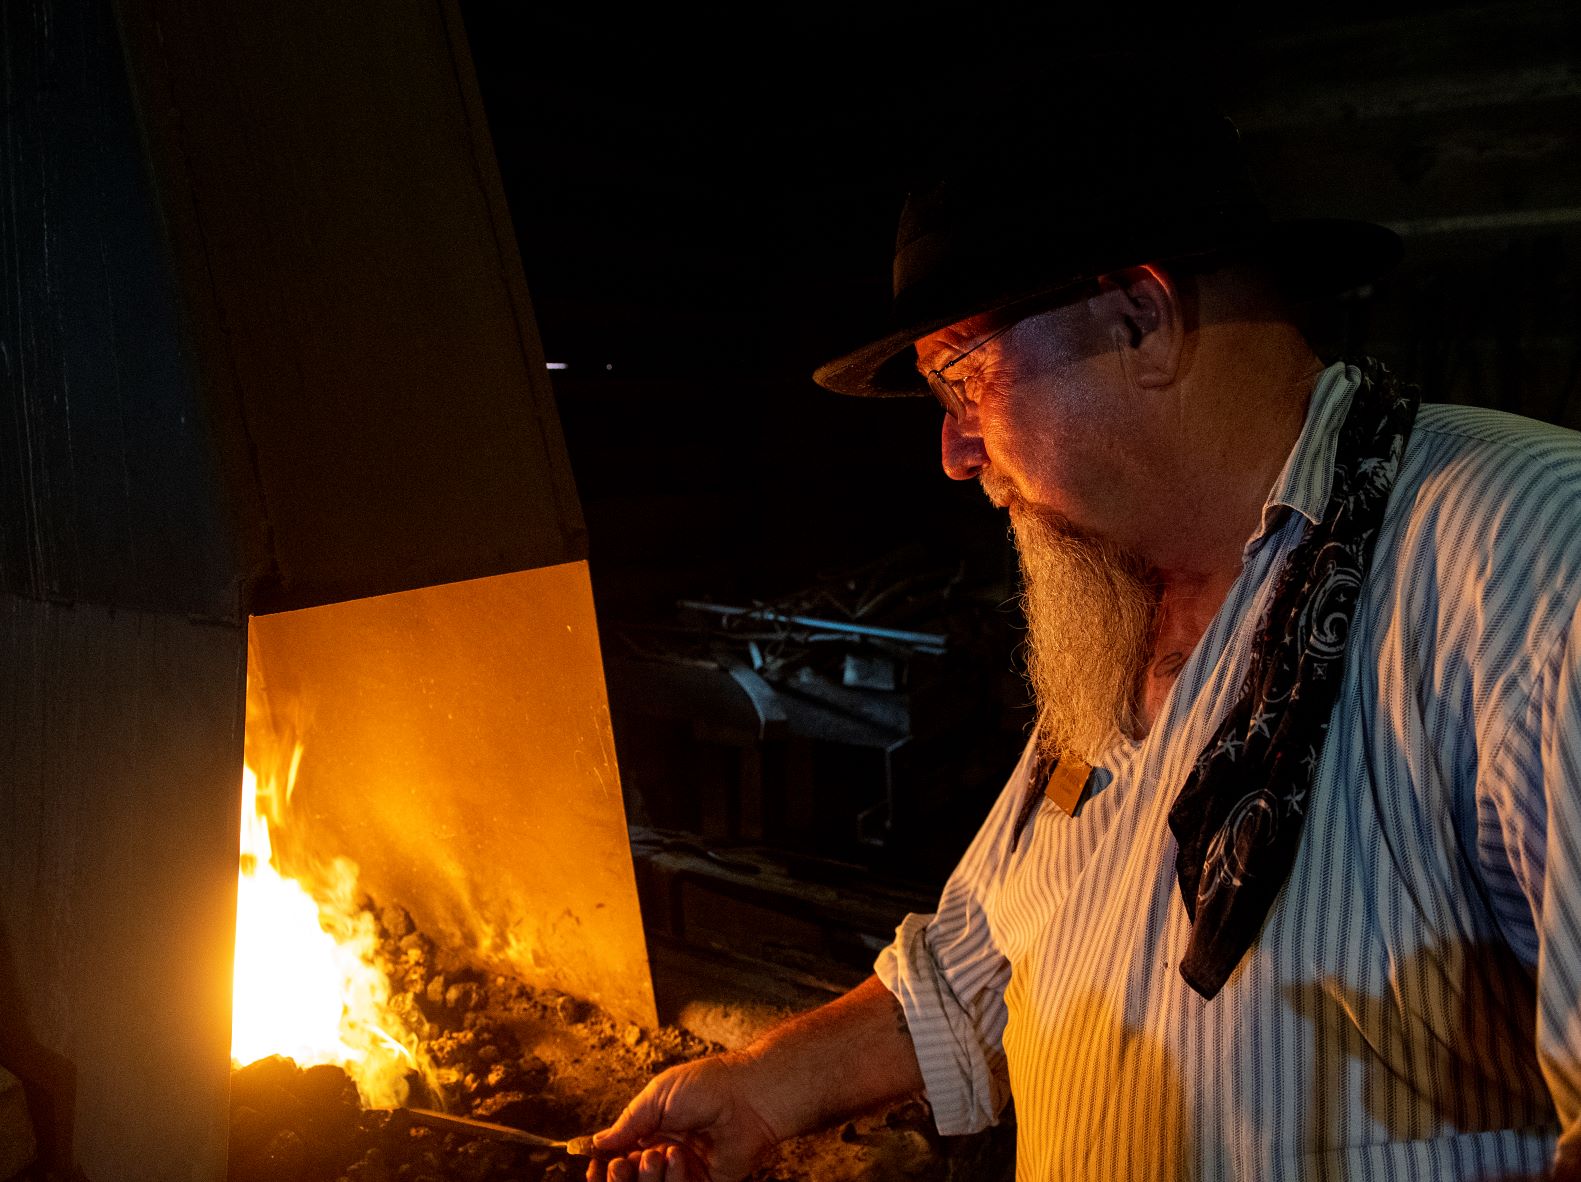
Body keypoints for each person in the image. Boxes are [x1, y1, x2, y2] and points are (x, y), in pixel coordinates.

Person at [589, 66, 1581, 1182]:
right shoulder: (1120, 615)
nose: (954, 455)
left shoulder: (1534, 558)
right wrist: (762, 1088)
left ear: (1137, 320)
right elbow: (984, 957)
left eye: (963, 381)